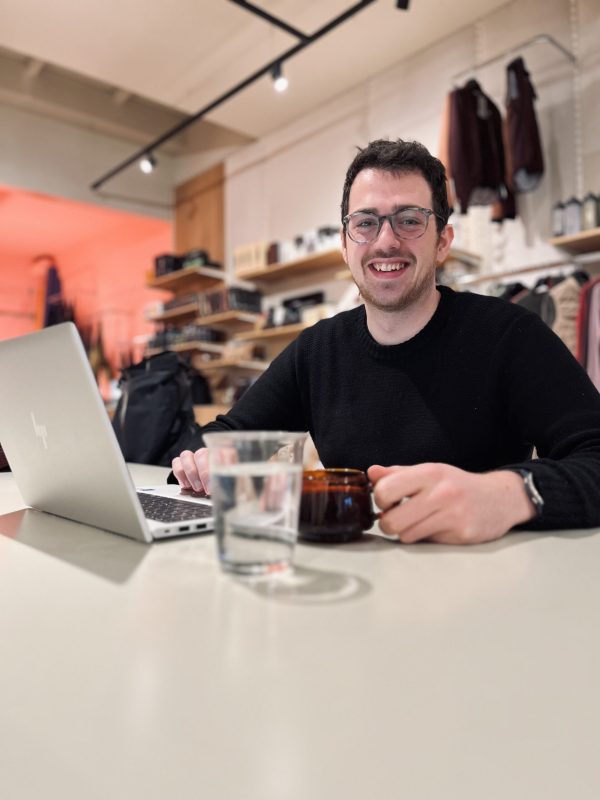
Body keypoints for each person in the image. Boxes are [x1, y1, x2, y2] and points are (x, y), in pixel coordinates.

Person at [171, 138, 600, 544]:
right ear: (344, 244)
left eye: (410, 220)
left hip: (482, 590)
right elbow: (225, 435)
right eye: (366, 223)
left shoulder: (509, 334)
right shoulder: (317, 350)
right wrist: (202, 460)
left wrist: (507, 495)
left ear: (443, 242)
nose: (385, 241)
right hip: (355, 584)